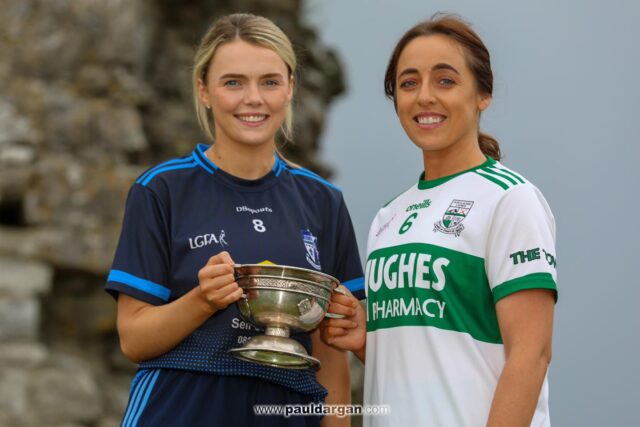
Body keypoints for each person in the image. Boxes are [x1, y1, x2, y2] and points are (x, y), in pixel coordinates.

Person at [105, 13, 364, 427]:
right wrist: (201, 300)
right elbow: (133, 339)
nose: (253, 99)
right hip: (181, 406)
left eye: (269, 81)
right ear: (204, 90)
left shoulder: (323, 201)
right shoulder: (161, 190)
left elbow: (332, 352)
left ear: (290, 88)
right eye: (233, 82)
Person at [321, 14, 557, 427]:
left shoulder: (510, 199)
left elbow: (531, 354)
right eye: (409, 83)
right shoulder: (387, 216)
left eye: (445, 81)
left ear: (483, 94)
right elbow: (434, 353)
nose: (425, 97)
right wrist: (370, 344)